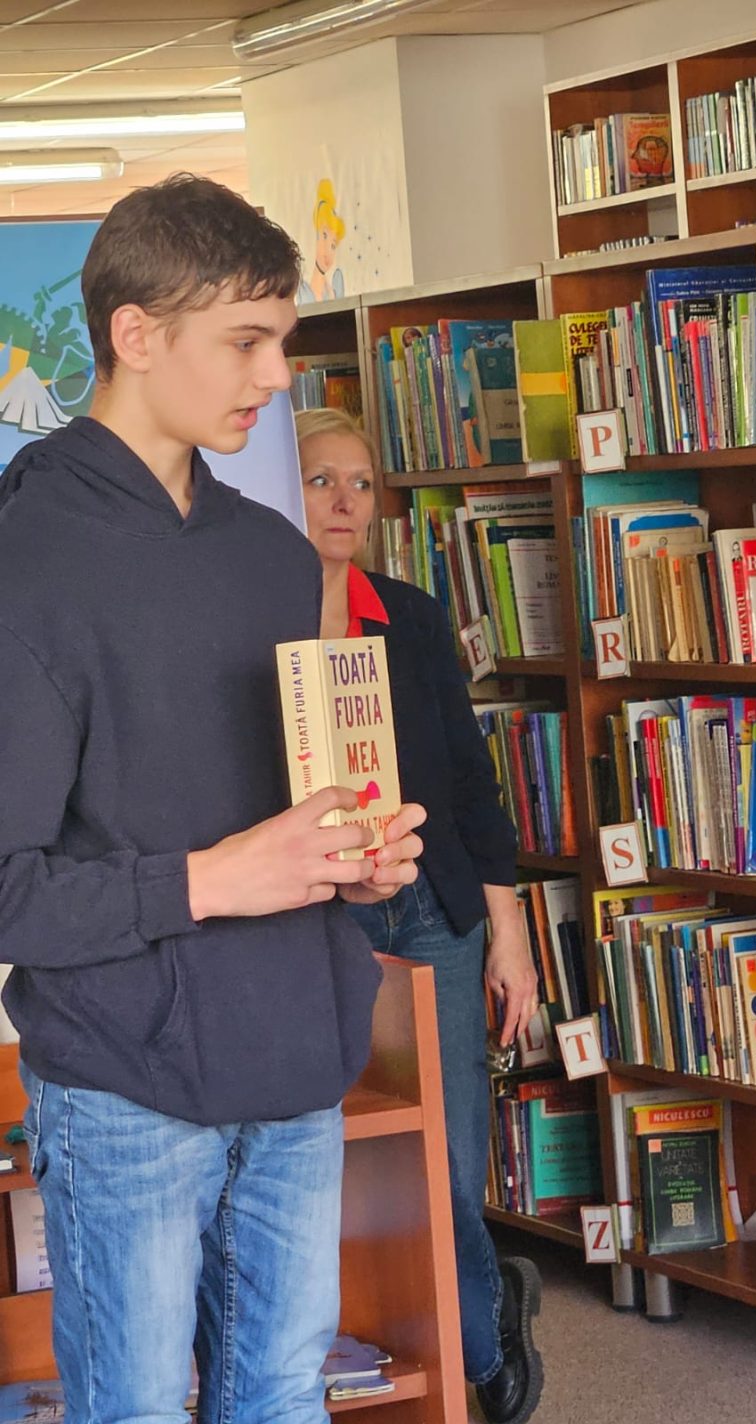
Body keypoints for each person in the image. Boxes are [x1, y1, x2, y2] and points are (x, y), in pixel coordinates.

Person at [0, 174, 427, 1424]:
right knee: (136, 1406)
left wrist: (357, 854)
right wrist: (215, 878)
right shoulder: (26, 566)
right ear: (136, 334)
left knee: (284, 1395)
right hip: (123, 1080)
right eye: (245, 341)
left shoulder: (274, 553)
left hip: (296, 1057)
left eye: (281, 341)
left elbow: (300, 807)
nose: (277, 375)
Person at [295, 406, 544, 1424]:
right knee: (332, 1155)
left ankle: (477, 1340)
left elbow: (471, 786)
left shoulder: (411, 616)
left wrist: (510, 934)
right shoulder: (243, 619)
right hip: (318, 919)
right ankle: (405, 1348)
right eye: (320, 479)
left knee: (444, 1152)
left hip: (434, 910)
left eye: (360, 482)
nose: (344, 501)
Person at [298, 177, 346, 303]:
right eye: (324, 236)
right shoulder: (303, 290)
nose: (328, 251)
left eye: (333, 246)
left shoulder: (334, 288)